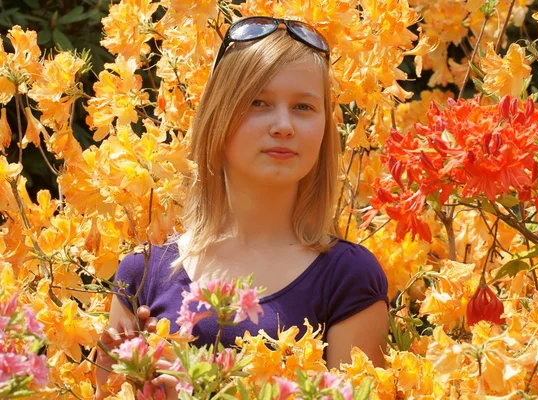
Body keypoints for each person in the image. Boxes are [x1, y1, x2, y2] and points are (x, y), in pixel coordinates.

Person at [95, 16, 389, 399]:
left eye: (304, 106)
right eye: (258, 102)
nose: (284, 125)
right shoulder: (142, 274)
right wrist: (111, 384)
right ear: (218, 116)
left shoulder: (349, 278)